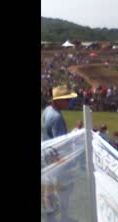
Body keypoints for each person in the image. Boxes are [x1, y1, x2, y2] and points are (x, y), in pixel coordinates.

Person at [41, 85, 77, 222]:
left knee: (49, 186)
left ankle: (50, 213)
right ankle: (64, 217)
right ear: (58, 100)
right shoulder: (57, 118)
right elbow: (61, 143)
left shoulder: (47, 111)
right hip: (56, 157)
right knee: (64, 189)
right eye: (66, 99)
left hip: (46, 154)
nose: (69, 102)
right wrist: (66, 162)